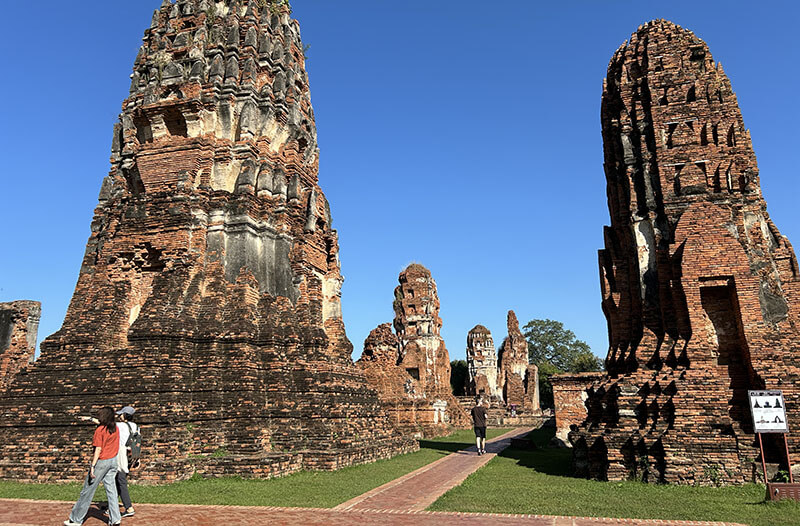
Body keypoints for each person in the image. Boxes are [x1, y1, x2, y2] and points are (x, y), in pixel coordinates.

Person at [64, 406, 122, 526]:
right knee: (111, 490)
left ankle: (76, 519)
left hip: (102, 462)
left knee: (87, 490)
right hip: (113, 461)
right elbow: (102, 423)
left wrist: (93, 466)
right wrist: (89, 419)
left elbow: (98, 449)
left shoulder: (100, 430)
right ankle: (115, 518)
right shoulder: (115, 428)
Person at [114, 406, 138, 519]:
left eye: (121, 414)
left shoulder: (120, 426)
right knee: (118, 480)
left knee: (121, 480)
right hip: (130, 455)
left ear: (125, 415)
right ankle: (112, 504)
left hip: (121, 455)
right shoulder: (135, 426)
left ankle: (129, 507)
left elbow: (105, 424)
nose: (119, 416)